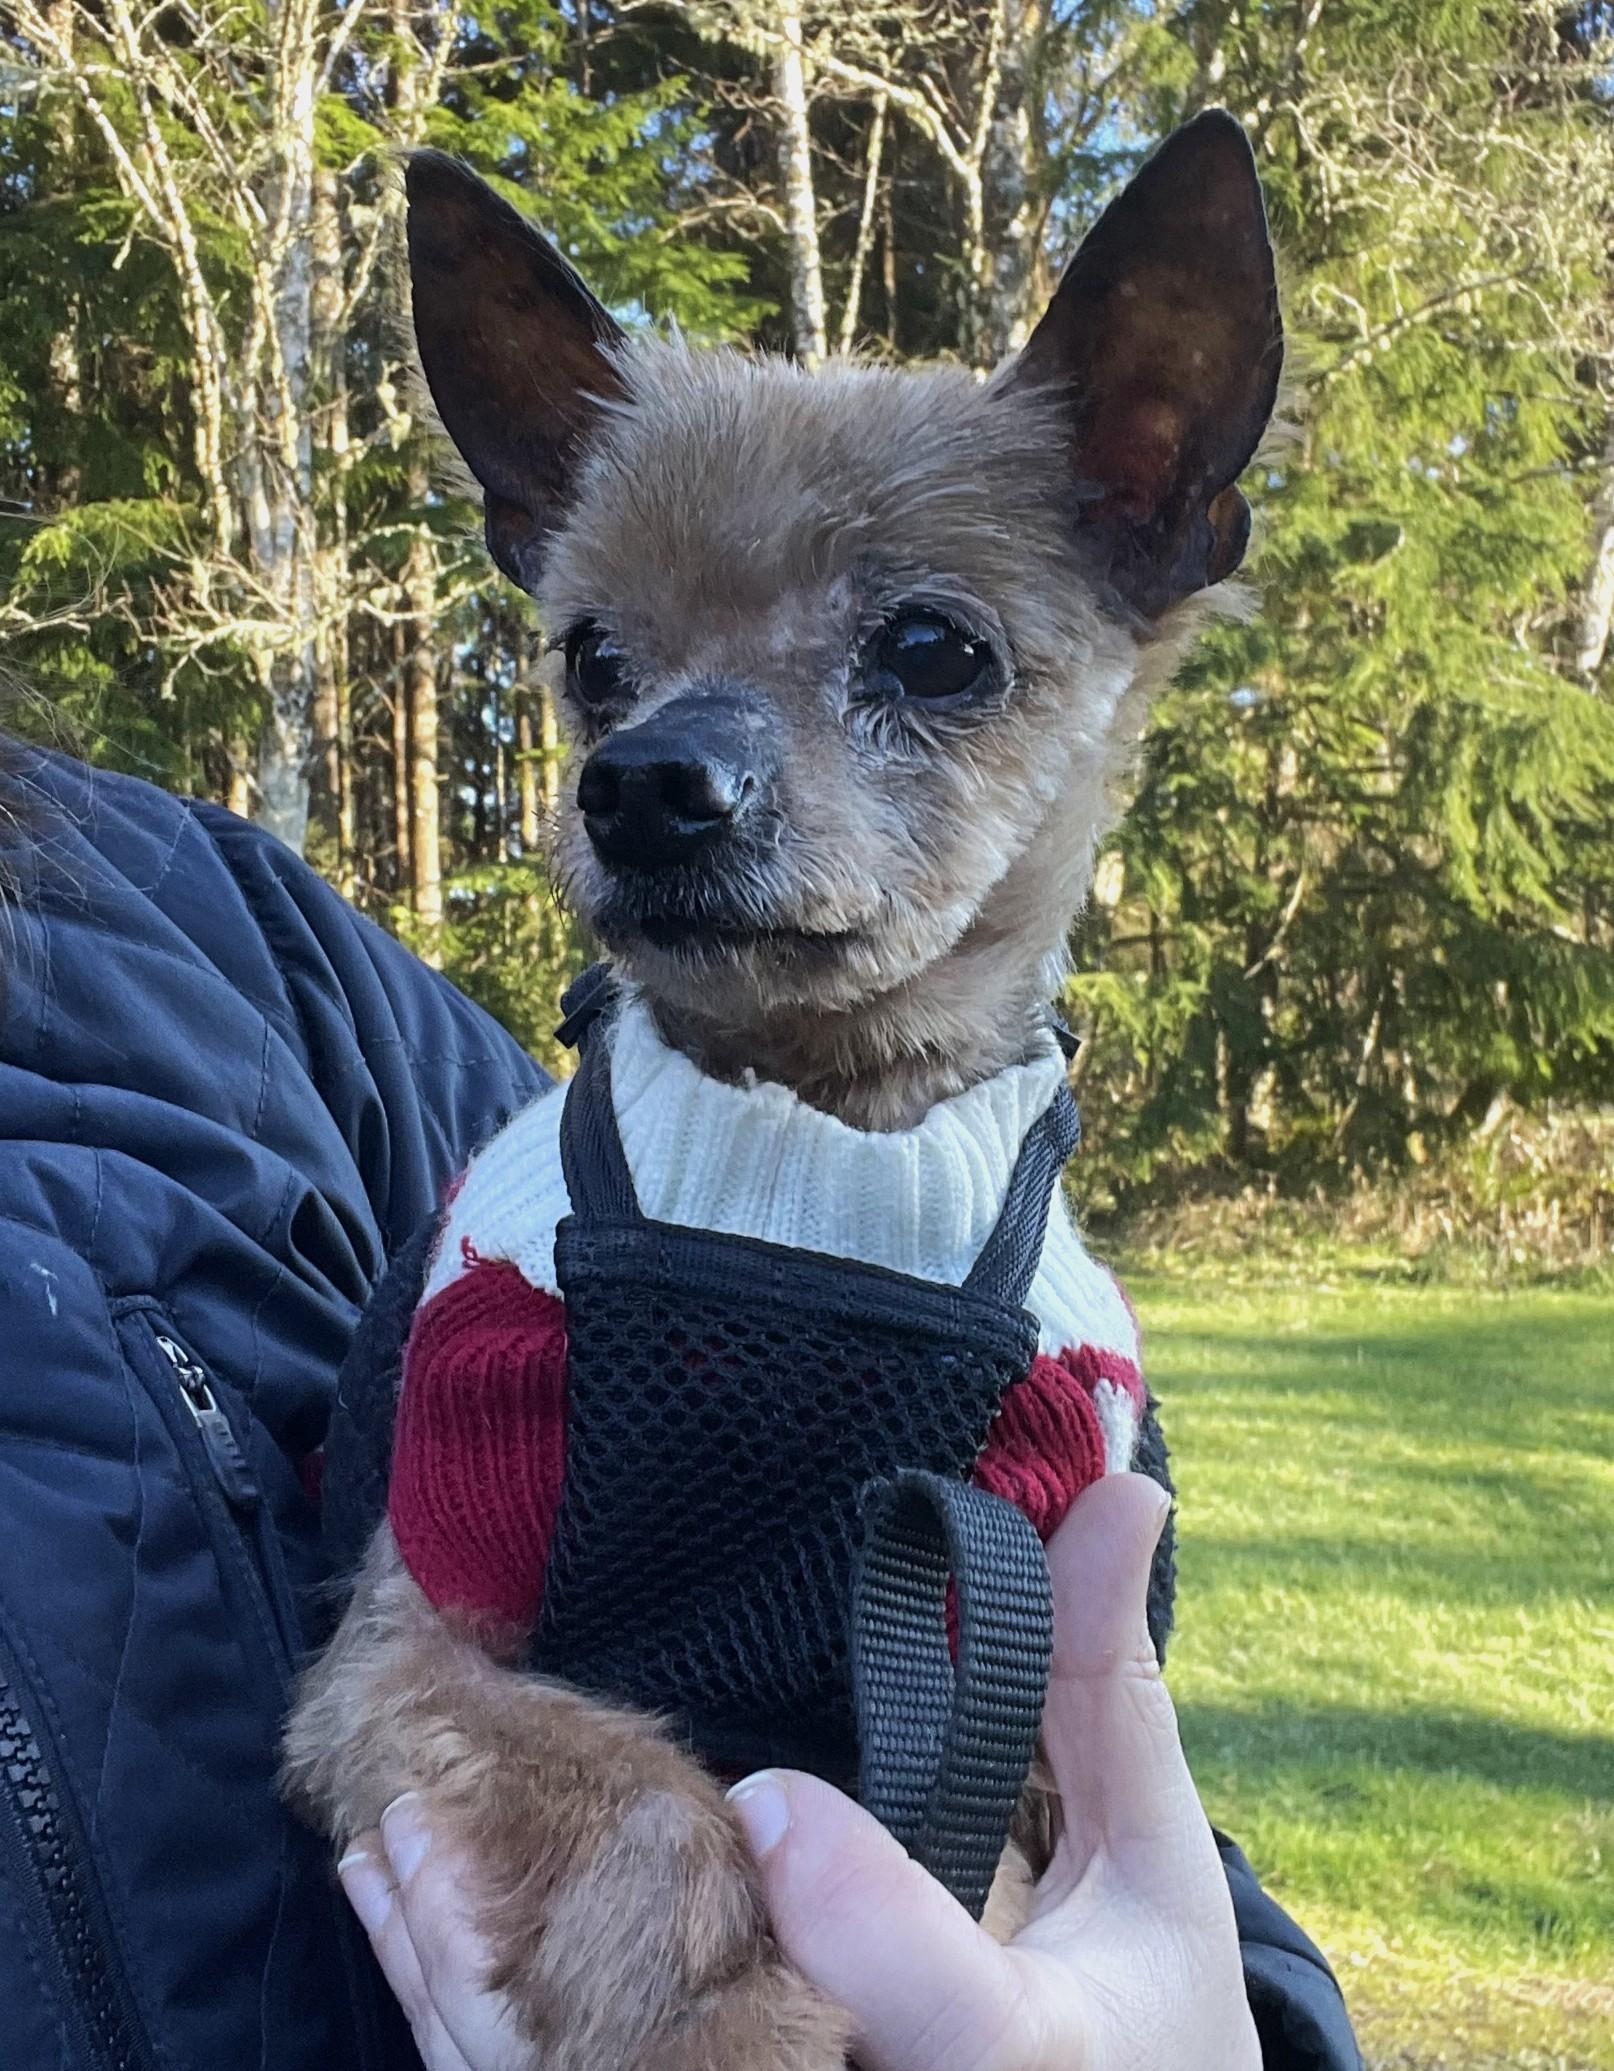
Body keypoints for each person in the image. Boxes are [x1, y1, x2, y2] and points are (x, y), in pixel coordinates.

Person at [0, 738, 1358, 2069]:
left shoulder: (203, 935)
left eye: (931, 660)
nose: (661, 764)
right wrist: (652, 1959)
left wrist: (1232, 2024)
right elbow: (380, 1694)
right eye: (607, 672)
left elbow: (1109, 1812)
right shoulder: (491, 1197)